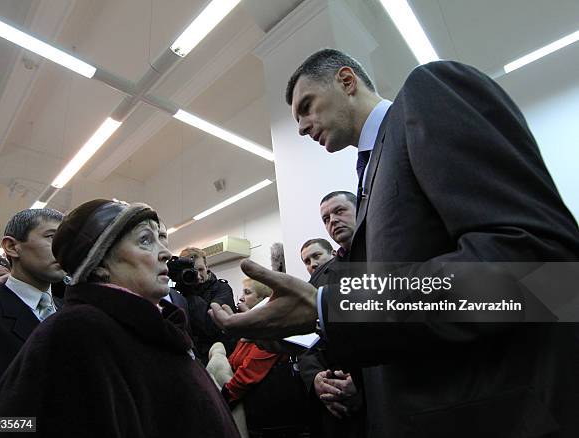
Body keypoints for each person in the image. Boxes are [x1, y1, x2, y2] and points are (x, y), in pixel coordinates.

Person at [210, 49, 579, 437]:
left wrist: (331, 305)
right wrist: (360, 389)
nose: (302, 127)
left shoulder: (426, 94)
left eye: (307, 106)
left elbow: (538, 273)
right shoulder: (371, 177)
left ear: (346, 81)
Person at [0, 199, 239, 438]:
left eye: (161, 239)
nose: (165, 253)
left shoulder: (158, 327)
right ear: (98, 264)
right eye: (145, 240)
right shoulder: (77, 331)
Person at [0, 208, 64, 412]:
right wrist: (30, 428)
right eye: (52, 237)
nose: (64, 248)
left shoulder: (78, 314)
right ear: (12, 246)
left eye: (68, 240)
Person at [299, 191, 364, 438]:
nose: (332, 221)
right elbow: (305, 341)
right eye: (326, 218)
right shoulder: (319, 281)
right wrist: (316, 380)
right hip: (336, 406)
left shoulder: (386, 259)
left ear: (361, 210)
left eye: (339, 211)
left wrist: (362, 383)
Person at [223, 278, 308, 437]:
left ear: (263, 300)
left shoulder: (269, 331)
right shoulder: (250, 331)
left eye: (247, 293)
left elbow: (248, 374)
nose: (241, 298)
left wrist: (221, 400)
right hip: (256, 416)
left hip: (272, 422)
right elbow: (233, 361)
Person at [179, 246, 236, 362]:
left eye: (200, 270)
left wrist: (189, 294)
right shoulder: (180, 294)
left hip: (219, 357)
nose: (198, 276)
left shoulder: (222, 288)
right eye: (193, 271)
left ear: (207, 267)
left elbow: (210, 326)